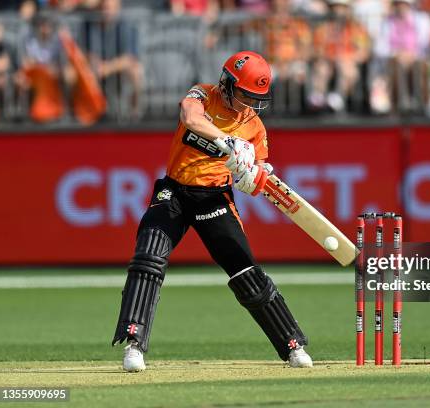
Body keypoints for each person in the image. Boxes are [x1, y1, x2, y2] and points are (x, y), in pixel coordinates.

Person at [111, 50, 313, 372]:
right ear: (228, 83)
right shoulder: (203, 94)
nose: (248, 103)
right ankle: (134, 344)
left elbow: (256, 174)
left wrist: (253, 177)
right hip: (174, 191)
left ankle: (292, 345)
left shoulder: (256, 128)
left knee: (246, 271)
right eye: (244, 94)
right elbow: (190, 119)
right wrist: (229, 142)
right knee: (149, 255)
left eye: (254, 97)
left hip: (214, 198)